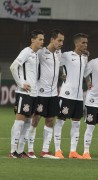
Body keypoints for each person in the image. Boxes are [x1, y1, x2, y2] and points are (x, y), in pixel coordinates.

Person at [24, 29, 64, 159]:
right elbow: (28, 61)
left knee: (50, 120)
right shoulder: (41, 53)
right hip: (41, 92)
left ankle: (45, 150)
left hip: (53, 93)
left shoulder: (59, 53)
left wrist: (62, 74)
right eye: (59, 40)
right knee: (35, 119)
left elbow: (60, 65)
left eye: (62, 41)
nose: (61, 43)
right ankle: (30, 150)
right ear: (52, 40)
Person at [9, 30, 44, 158]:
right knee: (20, 121)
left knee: (28, 122)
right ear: (33, 40)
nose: (42, 42)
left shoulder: (36, 54)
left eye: (43, 40)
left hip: (34, 93)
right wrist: (20, 84)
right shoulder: (26, 52)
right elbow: (13, 67)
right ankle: (12, 151)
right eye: (40, 39)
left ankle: (20, 151)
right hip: (24, 93)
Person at [53, 33, 89, 159]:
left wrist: (88, 82)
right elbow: (57, 63)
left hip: (79, 96)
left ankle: (73, 151)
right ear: (76, 43)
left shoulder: (85, 57)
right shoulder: (67, 55)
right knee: (60, 121)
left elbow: (85, 73)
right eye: (83, 42)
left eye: (86, 43)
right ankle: (57, 150)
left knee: (76, 123)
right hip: (66, 94)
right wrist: (61, 74)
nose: (85, 45)